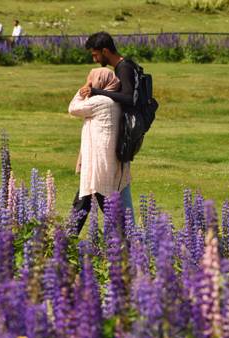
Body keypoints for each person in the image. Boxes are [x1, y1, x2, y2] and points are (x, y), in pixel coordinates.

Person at [81, 31, 136, 216]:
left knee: (115, 184)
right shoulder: (122, 67)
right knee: (121, 184)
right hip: (124, 134)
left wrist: (97, 92)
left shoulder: (123, 68)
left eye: (96, 55)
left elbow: (128, 98)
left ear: (105, 51)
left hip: (125, 135)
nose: (95, 59)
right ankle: (130, 234)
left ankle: (128, 234)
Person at [68, 68, 130, 234]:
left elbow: (73, 108)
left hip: (98, 161)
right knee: (86, 197)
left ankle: (126, 241)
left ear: (100, 81)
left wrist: (83, 90)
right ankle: (67, 240)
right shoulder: (114, 101)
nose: (90, 83)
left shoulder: (101, 101)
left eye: (91, 80)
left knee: (99, 198)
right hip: (105, 159)